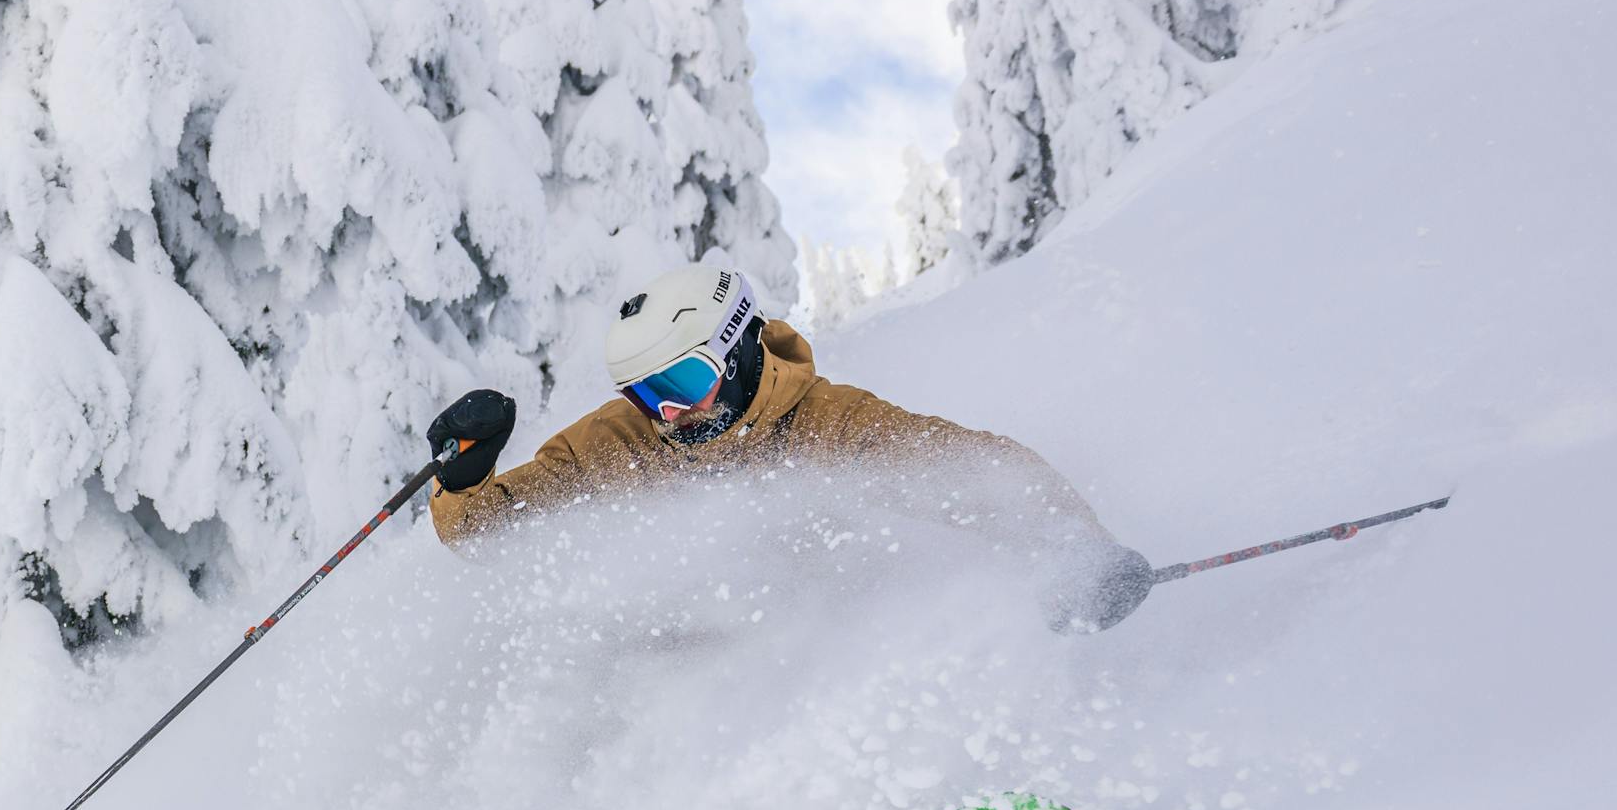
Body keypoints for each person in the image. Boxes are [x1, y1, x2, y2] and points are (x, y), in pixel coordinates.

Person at [423, 262, 1157, 631]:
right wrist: (466, 479)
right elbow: (496, 532)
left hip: (812, 644)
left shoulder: (832, 426)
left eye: (685, 378)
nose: (671, 412)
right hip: (677, 667)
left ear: (737, 351)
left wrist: (1077, 548)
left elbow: (977, 472)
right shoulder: (620, 443)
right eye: (649, 394)